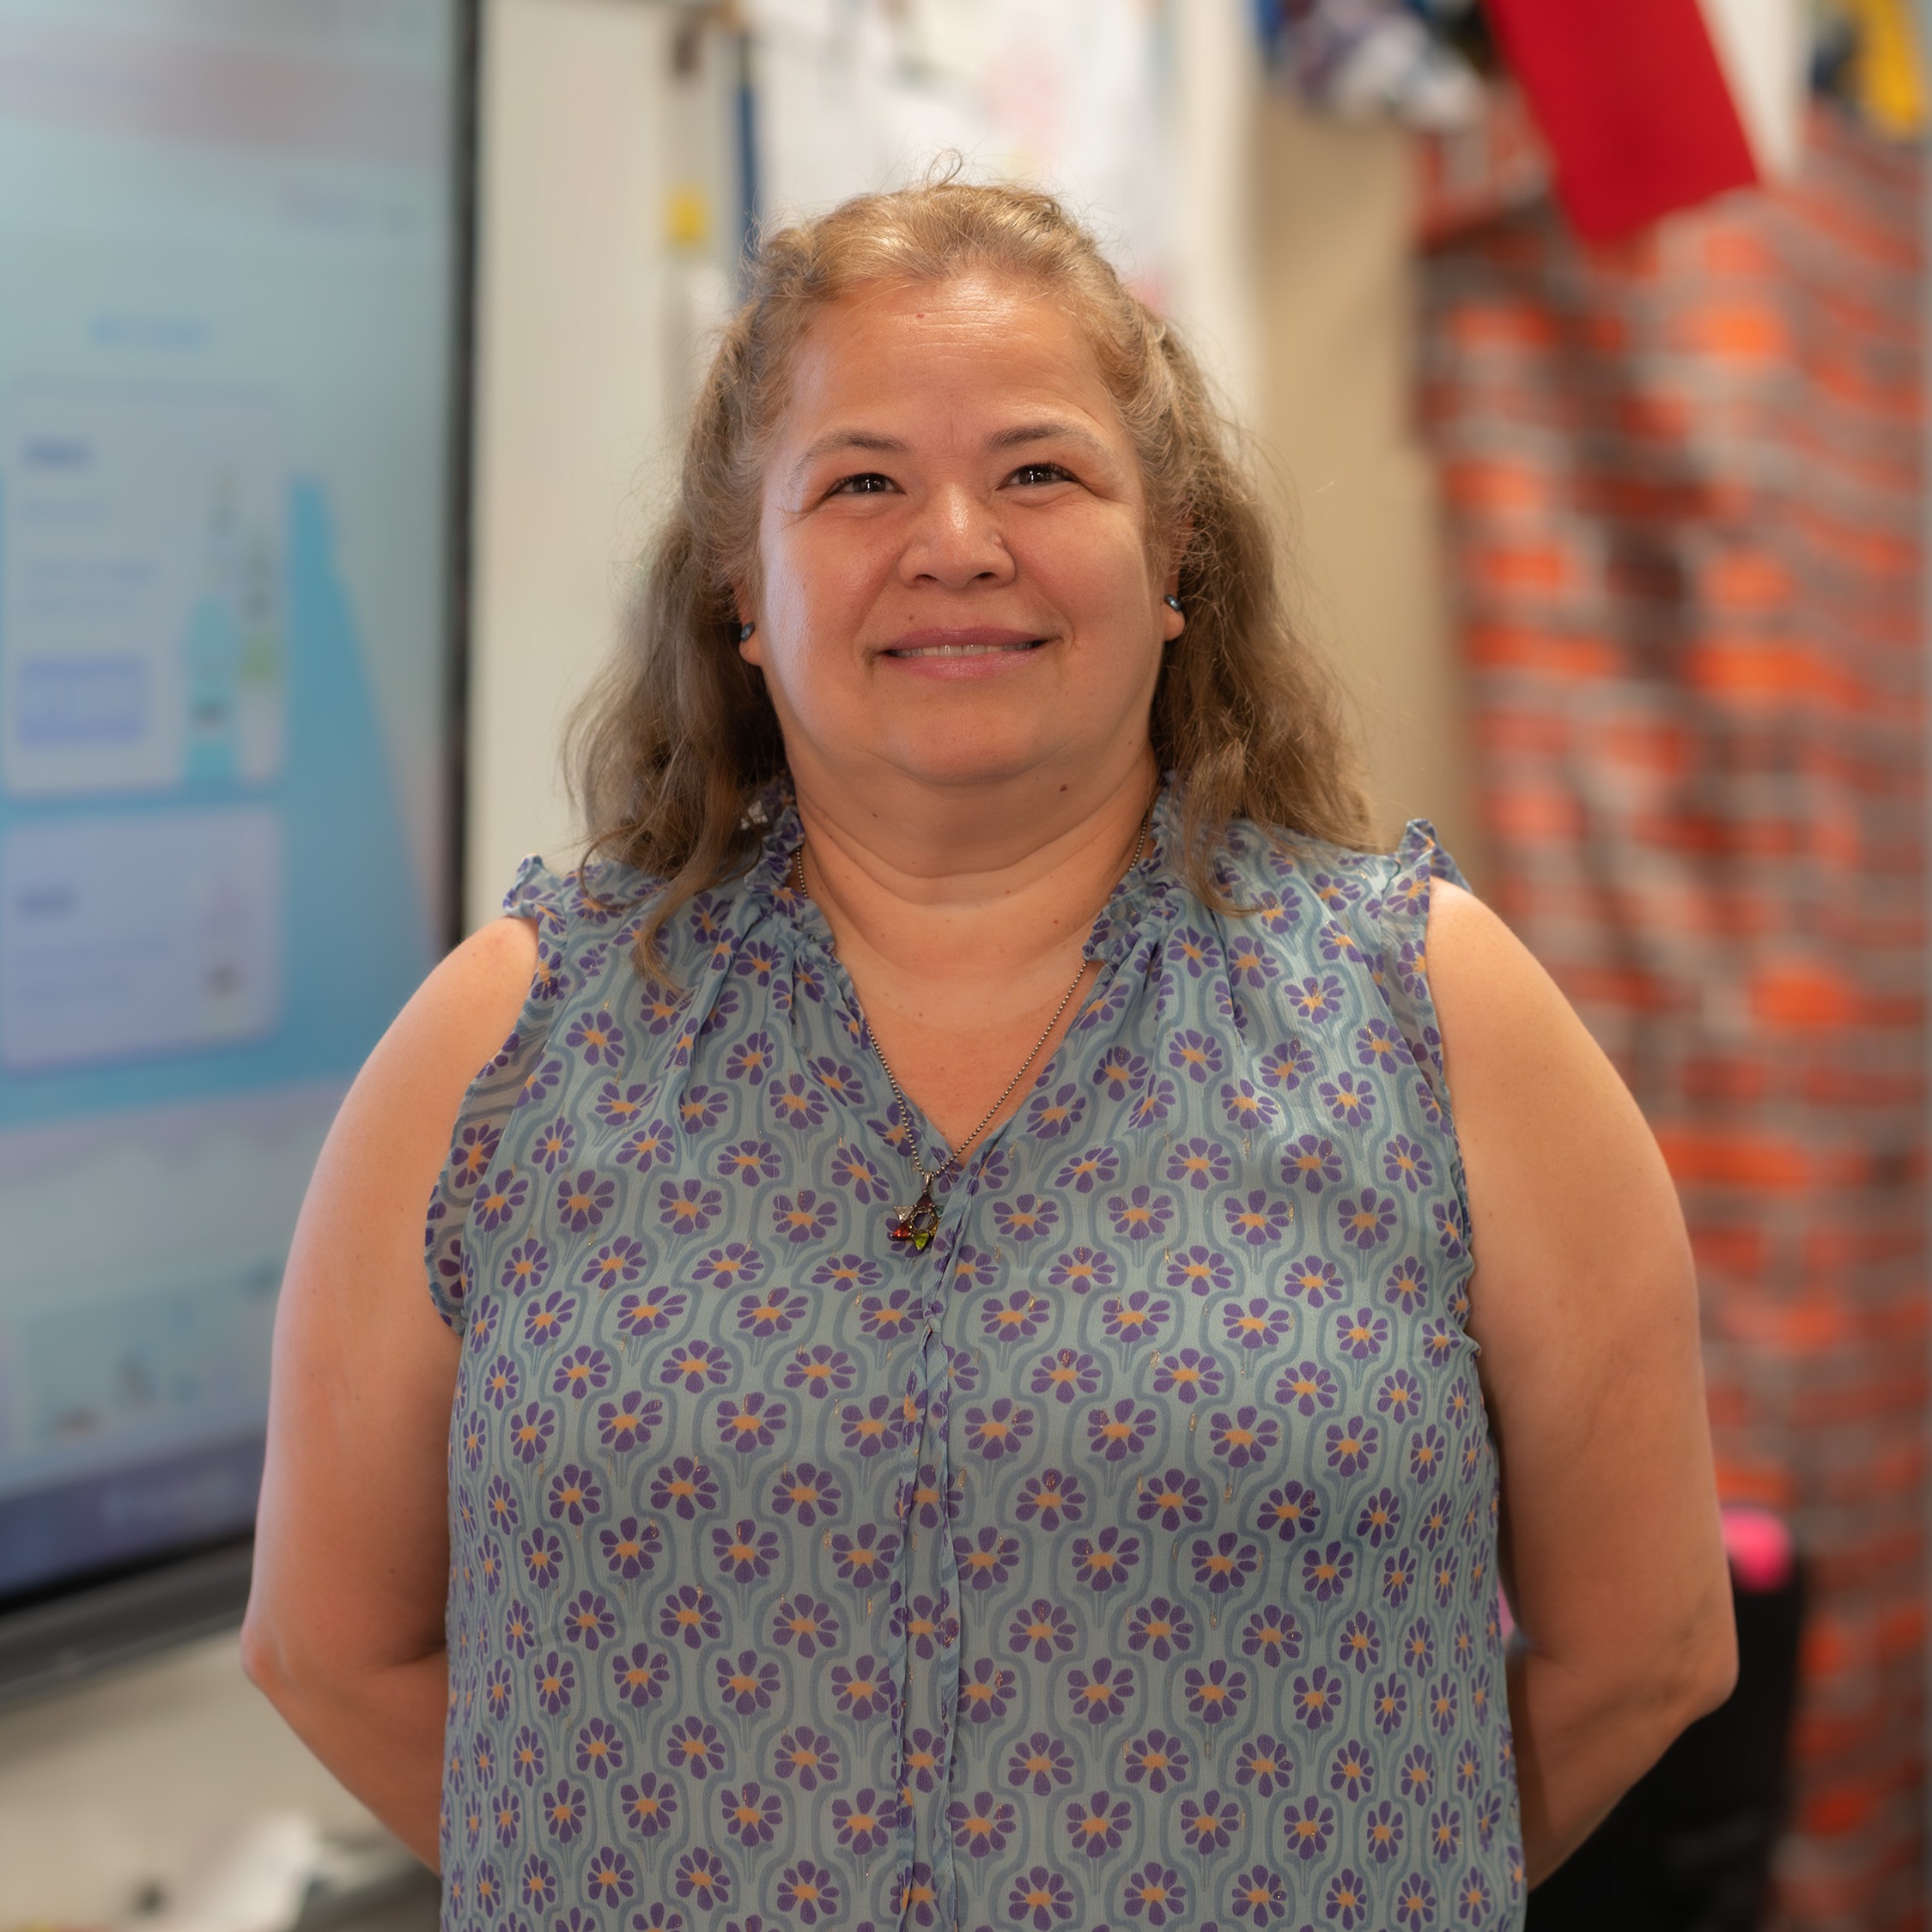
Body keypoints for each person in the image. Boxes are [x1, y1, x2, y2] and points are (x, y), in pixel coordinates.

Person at [242, 179, 1736, 1929]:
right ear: (743, 581)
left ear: (1172, 554)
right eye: (861, 480)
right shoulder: (504, 1040)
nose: (957, 541)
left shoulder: (1436, 1013)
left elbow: (1644, 1651)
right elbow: (327, 1649)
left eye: (1041, 471)